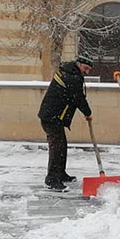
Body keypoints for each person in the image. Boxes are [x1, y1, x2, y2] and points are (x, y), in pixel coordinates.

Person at [37, 55, 93, 191]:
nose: (87, 72)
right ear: (79, 64)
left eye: (89, 70)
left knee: (61, 146)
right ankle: (52, 179)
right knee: (57, 148)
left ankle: (60, 173)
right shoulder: (72, 77)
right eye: (86, 68)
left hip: (54, 116)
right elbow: (78, 97)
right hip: (52, 118)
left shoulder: (69, 71)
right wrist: (88, 113)